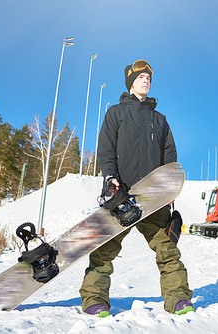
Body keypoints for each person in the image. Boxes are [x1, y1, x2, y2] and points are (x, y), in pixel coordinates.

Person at [79, 60, 194, 317]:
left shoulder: (160, 119)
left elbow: (170, 157)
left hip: (153, 197)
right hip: (121, 196)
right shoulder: (116, 113)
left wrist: (169, 190)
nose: (146, 81)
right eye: (141, 77)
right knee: (104, 251)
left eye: (149, 78)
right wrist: (111, 178)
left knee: (168, 250)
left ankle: (178, 299)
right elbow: (106, 149)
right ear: (131, 82)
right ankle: (94, 300)